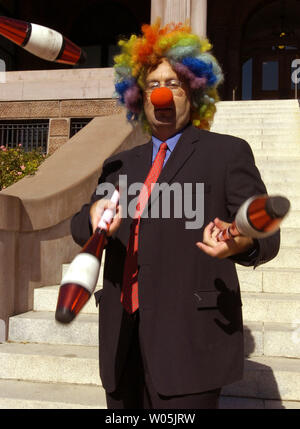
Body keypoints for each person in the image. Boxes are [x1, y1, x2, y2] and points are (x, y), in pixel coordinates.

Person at [71, 21, 280, 409]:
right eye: (152, 84)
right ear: (138, 96)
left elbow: (267, 234)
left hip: (190, 343)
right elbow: (81, 223)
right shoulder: (119, 163)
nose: (162, 92)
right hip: (121, 343)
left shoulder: (227, 153)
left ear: (194, 92)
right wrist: (92, 215)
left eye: (175, 83)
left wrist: (241, 240)